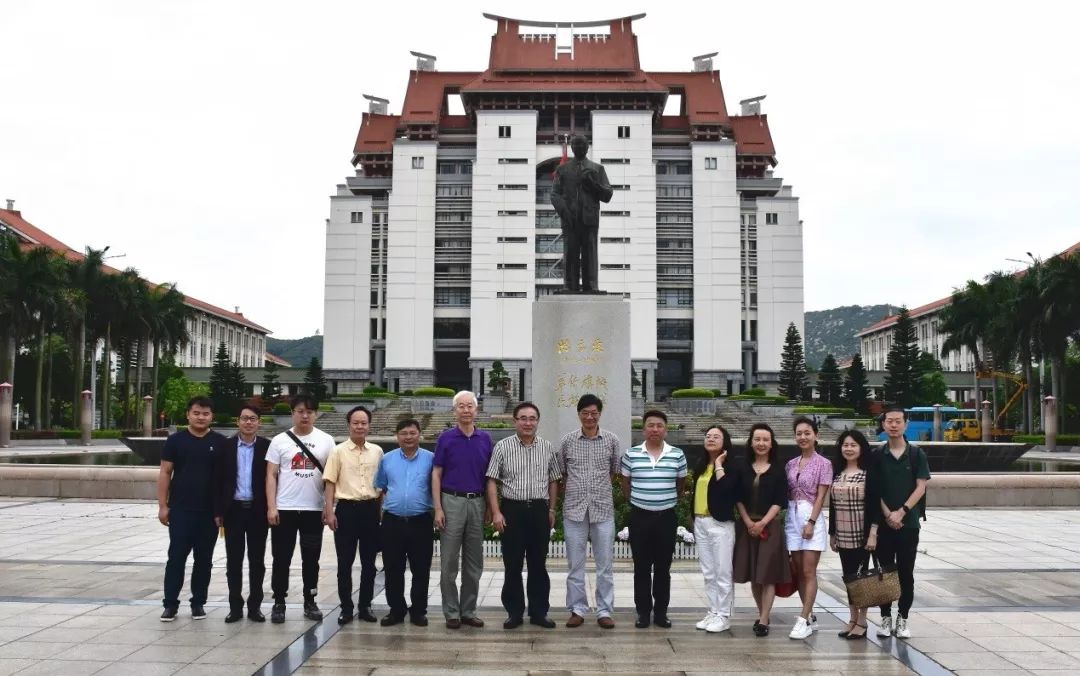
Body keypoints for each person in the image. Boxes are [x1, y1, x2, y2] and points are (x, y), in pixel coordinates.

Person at [486, 402, 562, 629]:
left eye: (532, 418)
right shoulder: (502, 447)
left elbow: (553, 480)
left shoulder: (547, 447)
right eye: (523, 418)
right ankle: (514, 612)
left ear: (537, 421)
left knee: (539, 563)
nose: (528, 423)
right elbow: (491, 479)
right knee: (513, 564)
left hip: (539, 510)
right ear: (515, 421)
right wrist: (496, 511)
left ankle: (539, 612)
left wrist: (551, 509)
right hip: (512, 510)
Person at [265, 394, 335, 623]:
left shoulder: (326, 441)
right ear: (292, 413)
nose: (305, 415)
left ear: (315, 414)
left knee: (311, 558)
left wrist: (328, 506)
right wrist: (272, 506)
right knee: (281, 557)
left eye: (309, 411)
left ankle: (310, 599)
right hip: (285, 508)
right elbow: (271, 475)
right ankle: (279, 601)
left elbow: (330, 478)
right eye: (300, 411)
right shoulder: (279, 441)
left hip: (313, 510)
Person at [158, 396, 227, 621]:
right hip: (181, 510)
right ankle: (170, 604)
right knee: (176, 557)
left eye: (205, 414)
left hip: (209, 513)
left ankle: (198, 602)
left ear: (211, 416)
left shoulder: (220, 442)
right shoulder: (175, 441)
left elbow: (225, 480)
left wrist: (221, 511)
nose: (201, 417)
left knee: (204, 560)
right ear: (188, 414)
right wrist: (162, 506)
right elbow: (165, 473)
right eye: (196, 413)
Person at [559, 393, 621, 629]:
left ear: (600, 414)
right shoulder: (567, 441)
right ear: (578, 414)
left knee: (605, 564)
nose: (589, 417)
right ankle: (577, 609)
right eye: (585, 413)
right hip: (574, 511)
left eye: (594, 413)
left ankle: (604, 610)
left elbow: (614, 471)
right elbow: (563, 473)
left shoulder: (611, 440)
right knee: (576, 564)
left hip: (602, 510)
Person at [620, 409, 687, 629]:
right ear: (643, 429)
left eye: (659, 425)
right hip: (639, 517)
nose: (655, 429)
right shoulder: (631, 454)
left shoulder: (677, 454)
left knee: (662, 568)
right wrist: (642, 502)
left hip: (665, 518)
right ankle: (643, 612)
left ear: (665, 429)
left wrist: (662, 500)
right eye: (650, 425)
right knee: (640, 567)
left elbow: (680, 485)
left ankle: (661, 613)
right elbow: (626, 485)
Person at [432, 390, 493, 629]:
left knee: (474, 561)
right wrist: (438, 508)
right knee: (448, 561)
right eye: (461, 406)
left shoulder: (485, 439)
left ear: (476, 410)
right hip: (451, 501)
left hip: (477, 502)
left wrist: (490, 507)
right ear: (454, 410)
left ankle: (469, 610)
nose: (466, 410)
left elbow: (490, 477)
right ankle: (451, 612)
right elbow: (436, 474)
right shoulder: (445, 438)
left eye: (470, 406)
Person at [323, 405, 384, 625]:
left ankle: (365, 605)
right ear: (348, 425)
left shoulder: (377, 452)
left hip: (370, 510)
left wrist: (381, 514)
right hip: (346, 510)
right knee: (344, 562)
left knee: (369, 563)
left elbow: (382, 486)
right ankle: (346, 608)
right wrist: (329, 511)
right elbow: (330, 482)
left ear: (369, 425)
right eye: (355, 423)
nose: (360, 426)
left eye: (363, 423)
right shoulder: (338, 451)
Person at [875, 406, 931, 639]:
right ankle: (885, 617)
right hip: (884, 524)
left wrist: (902, 512)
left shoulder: (916, 454)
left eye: (898, 421)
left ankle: (903, 617)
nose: (894, 425)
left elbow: (921, 486)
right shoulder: (877, 455)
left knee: (906, 572)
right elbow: (874, 489)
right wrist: (889, 514)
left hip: (908, 525)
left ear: (906, 424)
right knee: (885, 572)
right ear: (884, 424)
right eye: (890, 421)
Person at [213, 404, 270, 623]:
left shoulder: (267, 447)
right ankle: (235, 606)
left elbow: (274, 479)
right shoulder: (225, 447)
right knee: (233, 561)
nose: (248, 422)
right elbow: (217, 481)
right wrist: (218, 511)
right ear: (238, 421)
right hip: (233, 511)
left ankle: (255, 606)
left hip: (258, 512)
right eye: (244, 418)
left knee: (257, 561)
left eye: (253, 418)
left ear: (259, 422)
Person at [375, 418, 434, 627]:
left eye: (412, 433)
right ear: (397, 436)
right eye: (404, 433)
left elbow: (435, 488)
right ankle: (396, 610)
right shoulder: (387, 459)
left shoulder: (431, 459)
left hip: (421, 521)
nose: (408, 437)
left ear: (419, 435)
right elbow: (380, 488)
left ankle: (418, 611)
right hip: (393, 521)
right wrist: (379, 518)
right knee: (392, 568)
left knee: (421, 569)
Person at [733, 423, 791, 637]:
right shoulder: (742, 467)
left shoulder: (778, 469)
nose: (761, 443)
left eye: (765, 439)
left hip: (770, 528)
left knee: (767, 574)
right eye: (757, 439)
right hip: (747, 527)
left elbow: (779, 500)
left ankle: (765, 618)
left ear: (771, 443)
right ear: (751, 442)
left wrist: (762, 523)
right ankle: (761, 613)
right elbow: (738, 497)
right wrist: (748, 522)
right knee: (755, 575)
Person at [688, 424, 741, 634]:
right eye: (708, 436)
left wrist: (719, 464)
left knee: (722, 571)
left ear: (724, 441)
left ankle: (724, 615)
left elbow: (728, 490)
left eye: (716, 436)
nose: (710, 439)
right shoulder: (701, 464)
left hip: (720, 524)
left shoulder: (732, 466)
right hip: (701, 523)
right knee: (708, 572)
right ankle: (713, 610)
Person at [785, 416, 833, 640]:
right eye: (799, 433)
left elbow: (822, 496)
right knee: (797, 570)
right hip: (792, 518)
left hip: (810, 517)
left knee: (808, 571)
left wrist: (812, 522)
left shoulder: (824, 463)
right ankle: (810, 615)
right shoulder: (791, 464)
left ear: (815, 435)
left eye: (807, 433)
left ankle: (803, 618)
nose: (803, 437)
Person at [829, 429, 879, 640]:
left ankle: (862, 621)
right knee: (849, 577)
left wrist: (873, 533)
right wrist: (832, 533)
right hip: (842, 533)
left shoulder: (868, 473)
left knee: (862, 579)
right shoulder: (837, 472)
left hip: (862, 533)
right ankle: (852, 618)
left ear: (861, 448)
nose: (848, 449)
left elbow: (875, 505)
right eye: (845, 445)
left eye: (853, 445)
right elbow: (832, 505)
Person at [550, 134, 614, 292]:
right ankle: (569, 284)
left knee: (590, 252)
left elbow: (607, 195)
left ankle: (591, 285)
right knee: (570, 252)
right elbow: (554, 194)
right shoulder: (562, 170)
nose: (579, 147)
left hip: (589, 219)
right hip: (570, 219)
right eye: (576, 145)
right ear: (572, 148)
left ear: (587, 147)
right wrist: (564, 211)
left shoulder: (597, 169)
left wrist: (593, 185)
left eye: (582, 145)